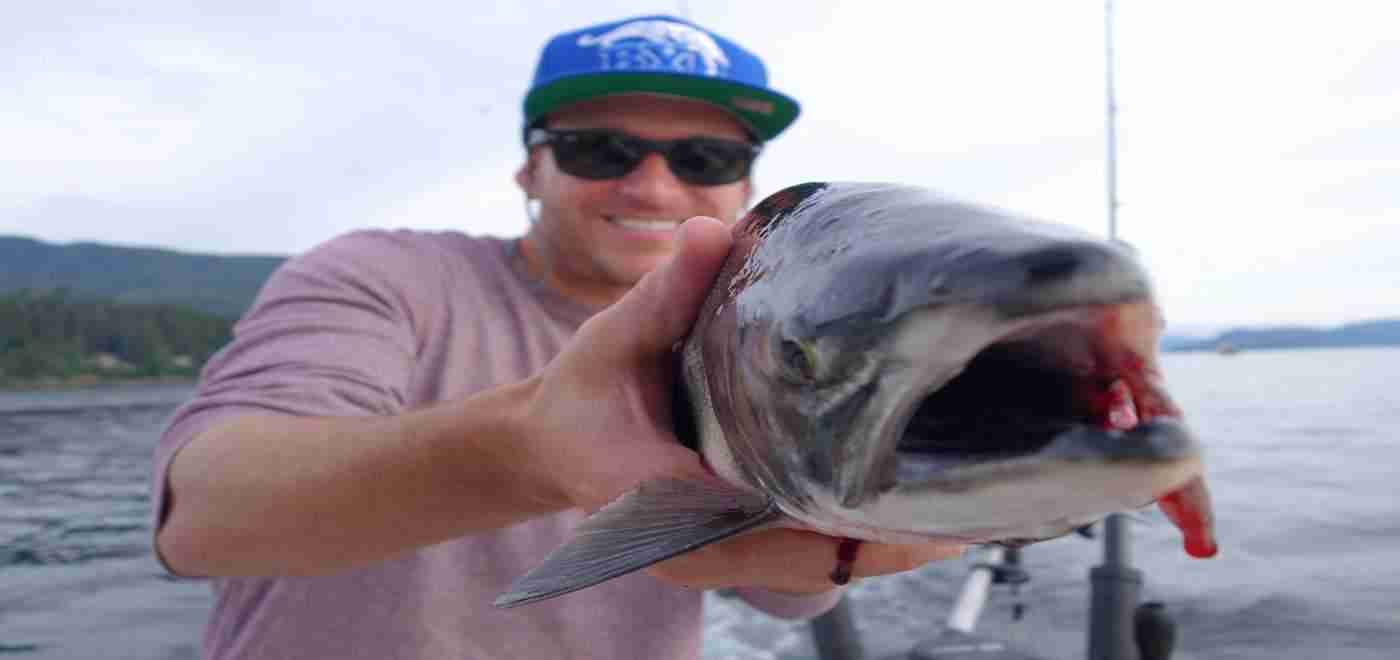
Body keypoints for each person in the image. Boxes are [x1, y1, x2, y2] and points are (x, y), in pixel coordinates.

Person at [151, 14, 965, 659]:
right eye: (597, 149)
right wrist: (533, 446)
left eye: (704, 157)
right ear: (528, 170)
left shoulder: (761, 342)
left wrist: (830, 531)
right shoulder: (381, 275)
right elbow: (206, 519)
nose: (651, 184)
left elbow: (785, 594)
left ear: (745, 186)